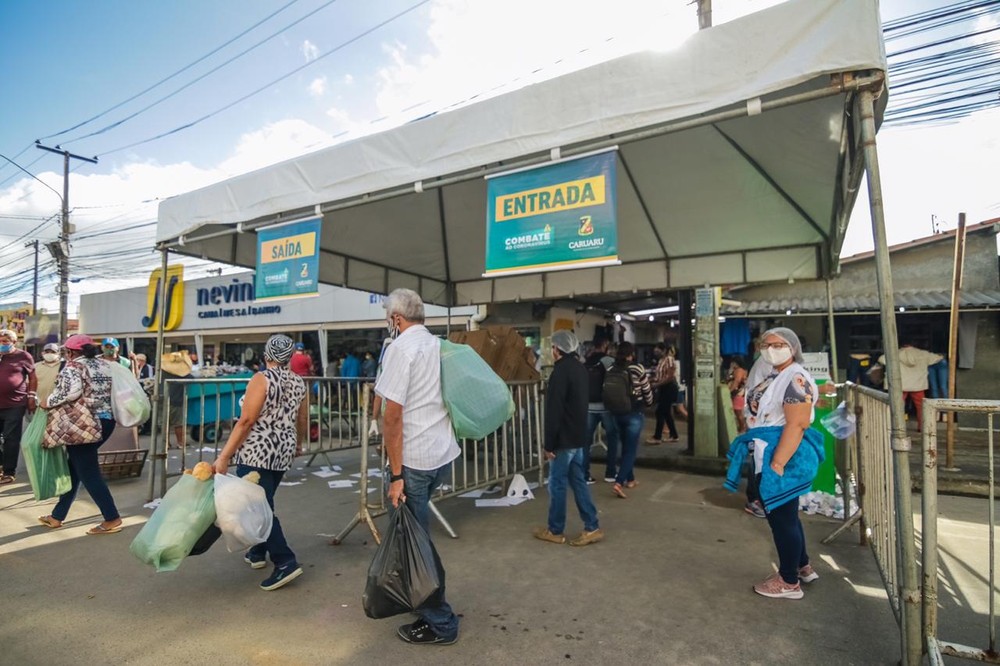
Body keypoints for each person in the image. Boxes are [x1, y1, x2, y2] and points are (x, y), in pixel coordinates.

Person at [375, 288, 460, 646]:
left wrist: (396, 476)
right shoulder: (440, 345)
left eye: (387, 319)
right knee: (417, 534)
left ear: (396, 319)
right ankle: (422, 597)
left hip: (414, 460)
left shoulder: (400, 349)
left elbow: (391, 416)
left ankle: (439, 620)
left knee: (415, 542)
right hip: (441, 453)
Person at [724, 327, 824, 600]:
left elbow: (798, 423)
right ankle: (802, 566)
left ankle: (789, 581)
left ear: (792, 348)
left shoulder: (795, 379)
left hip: (782, 455)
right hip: (768, 449)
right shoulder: (776, 374)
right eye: (766, 344)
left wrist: (778, 462)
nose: (771, 348)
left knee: (781, 519)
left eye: (778, 344)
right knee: (786, 514)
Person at [213, 334, 308, 591]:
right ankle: (257, 552)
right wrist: (298, 444)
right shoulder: (299, 382)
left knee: (257, 506)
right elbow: (302, 419)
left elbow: (246, 421)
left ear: (266, 355)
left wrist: (224, 456)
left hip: (258, 450)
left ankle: (285, 561)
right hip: (283, 450)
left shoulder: (261, 379)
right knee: (264, 500)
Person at [37, 334, 122, 534]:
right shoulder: (104, 364)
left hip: (83, 424)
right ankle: (57, 516)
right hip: (106, 421)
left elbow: (69, 393)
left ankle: (112, 518)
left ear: (72, 351)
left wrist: (46, 402)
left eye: (67, 351)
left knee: (88, 471)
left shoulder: (74, 367)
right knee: (75, 468)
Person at [534, 330, 603, 546]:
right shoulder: (580, 369)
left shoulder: (560, 372)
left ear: (557, 349)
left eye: (553, 347)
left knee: (557, 483)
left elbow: (554, 411)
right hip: (578, 436)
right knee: (578, 481)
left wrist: (549, 444)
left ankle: (555, 530)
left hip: (563, 439)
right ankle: (592, 526)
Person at [607, 342, 654, 499]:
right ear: (631, 354)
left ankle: (630, 479)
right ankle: (619, 482)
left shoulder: (611, 369)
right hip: (634, 412)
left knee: (626, 446)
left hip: (616, 413)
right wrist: (648, 403)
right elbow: (647, 390)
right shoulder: (637, 368)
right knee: (631, 450)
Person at [878, 341, 944, 432]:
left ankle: (896, 428)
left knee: (897, 406)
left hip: (899, 385)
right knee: (921, 407)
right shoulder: (923, 353)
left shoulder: (894, 353)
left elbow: (881, 359)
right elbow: (937, 358)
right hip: (918, 385)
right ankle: (922, 427)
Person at [0, 328, 37, 485]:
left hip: (15, 403)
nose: (1, 344)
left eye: (4, 341)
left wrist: (31, 396)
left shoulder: (23, 356)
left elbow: (33, 377)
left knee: (11, 438)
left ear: (14, 342)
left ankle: (9, 471)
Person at [582, 336, 619, 483]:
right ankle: (610, 473)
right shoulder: (608, 361)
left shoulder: (586, 361)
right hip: (605, 407)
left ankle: (585, 475)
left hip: (588, 407)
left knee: (585, 441)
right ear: (604, 345)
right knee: (612, 437)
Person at [647, 344, 679, 444]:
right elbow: (659, 376)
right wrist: (649, 380)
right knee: (666, 412)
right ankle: (674, 435)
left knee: (659, 412)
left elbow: (670, 377)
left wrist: (657, 384)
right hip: (663, 388)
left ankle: (657, 437)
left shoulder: (669, 359)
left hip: (669, 387)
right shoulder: (661, 361)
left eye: (658, 352)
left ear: (664, 350)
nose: (656, 354)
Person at [161, 351, 193, 449]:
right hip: (176, 399)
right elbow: (192, 378)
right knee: (178, 424)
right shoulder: (182, 373)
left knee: (165, 423)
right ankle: (180, 442)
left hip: (163, 398)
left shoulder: (164, 371)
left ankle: (166, 444)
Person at [35, 342, 63, 408]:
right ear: (42, 353)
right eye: (47, 352)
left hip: (58, 404)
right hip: (38, 404)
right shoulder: (36, 366)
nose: (49, 354)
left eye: (53, 352)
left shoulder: (65, 366)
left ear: (58, 353)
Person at [727, 355, 749, 434]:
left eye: (733, 362)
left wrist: (730, 390)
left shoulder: (739, 370)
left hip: (738, 393)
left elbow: (737, 381)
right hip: (739, 393)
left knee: (738, 411)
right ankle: (742, 427)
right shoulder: (740, 370)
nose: (732, 364)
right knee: (738, 412)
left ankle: (743, 428)